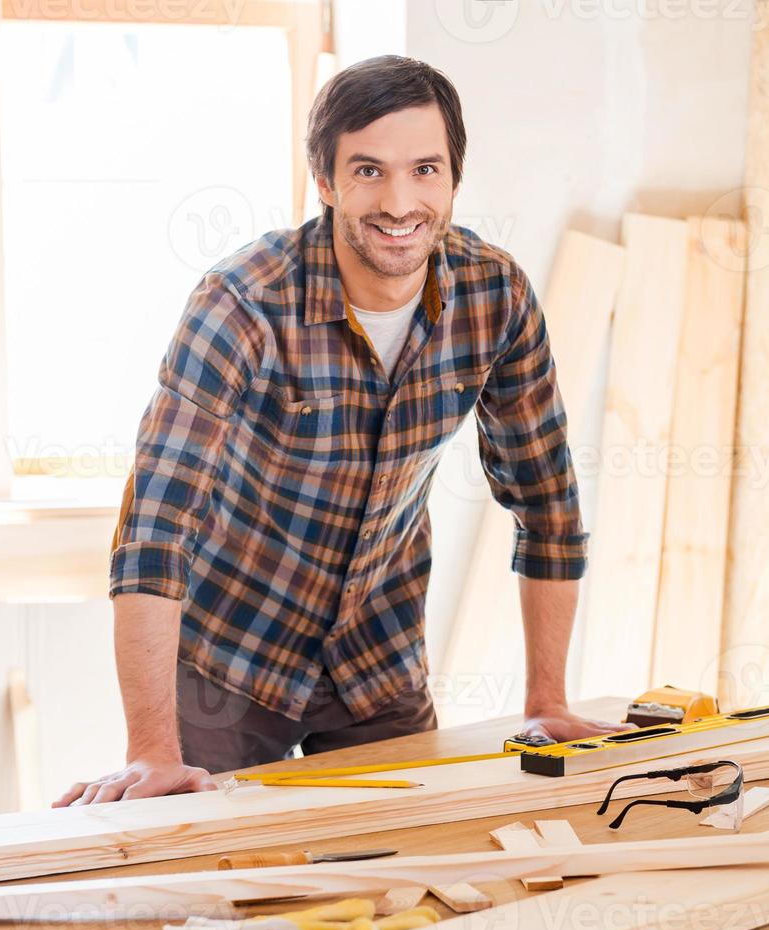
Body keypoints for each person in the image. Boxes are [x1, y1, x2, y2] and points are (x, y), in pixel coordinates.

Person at [55, 55, 629, 808]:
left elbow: (547, 502)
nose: (399, 201)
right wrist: (152, 752)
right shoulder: (242, 302)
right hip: (229, 660)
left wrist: (545, 703)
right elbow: (155, 531)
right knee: (207, 874)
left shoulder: (494, 297)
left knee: (403, 865)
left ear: (453, 177)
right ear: (324, 182)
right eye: (367, 171)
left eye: (424, 169)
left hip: (376, 659)